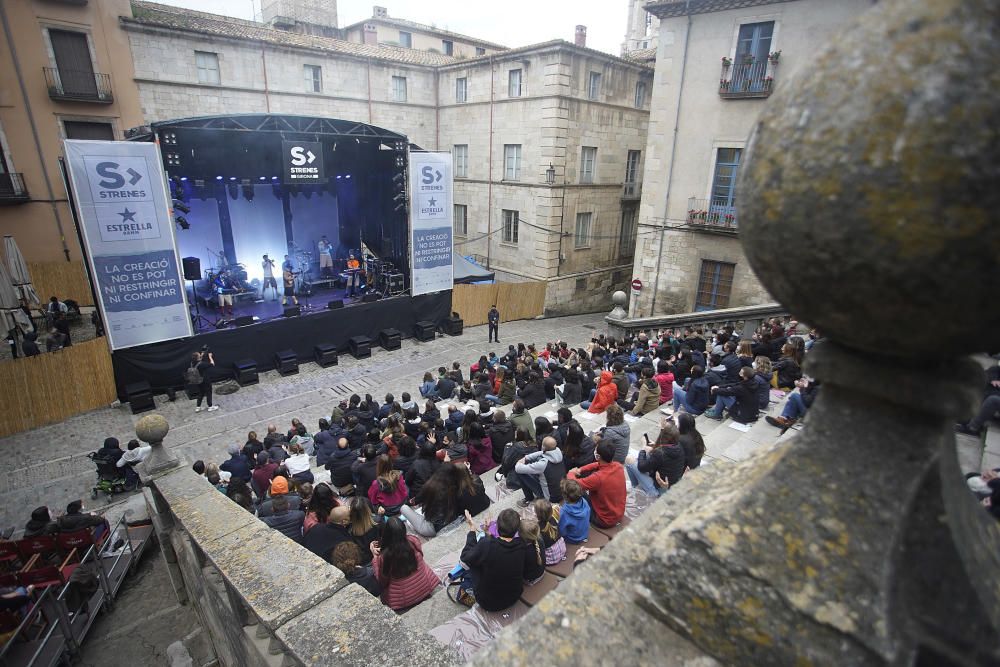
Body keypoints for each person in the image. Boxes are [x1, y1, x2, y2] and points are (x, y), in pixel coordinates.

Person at [458, 508, 534, 611]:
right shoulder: (521, 544)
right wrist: (486, 531)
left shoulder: (487, 544)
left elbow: (465, 557)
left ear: (497, 526)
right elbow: (499, 549)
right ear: (517, 529)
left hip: (489, 603)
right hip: (514, 596)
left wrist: (472, 528)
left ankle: (466, 593)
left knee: (471, 565)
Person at [401, 462, 490, 537]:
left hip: (432, 527)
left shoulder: (451, 493)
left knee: (403, 508)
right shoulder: (471, 482)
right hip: (483, 505)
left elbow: (417, 500)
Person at [371, 517, 440, 611]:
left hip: (403, 599)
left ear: (386, 533)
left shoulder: (385, 557)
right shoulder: (414, 541)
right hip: (425, 587)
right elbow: (421, 556)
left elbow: (382, 580)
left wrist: (375, 558)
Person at [567, 441, 626, 529]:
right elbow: (597, 464)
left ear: (598, 456)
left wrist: (571, 473)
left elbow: (575, 483)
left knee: (576, 490)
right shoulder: (619, 466)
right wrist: (581, 469)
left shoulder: (598, 478)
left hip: (603, 520)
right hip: (618, 513)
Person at [626, 422, 686, 496]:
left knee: (629, 460)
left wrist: (643, 448)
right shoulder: (680, 447)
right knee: (649, 451)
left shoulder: (660, 453)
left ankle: (635, 488)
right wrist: (654, 446)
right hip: (670, 485)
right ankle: (639, 487)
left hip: (657, 490)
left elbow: (641, 467)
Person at [514, 436, 566, 504]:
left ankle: (528, 498)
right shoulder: (559, 453)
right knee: (537, 459)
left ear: (543, 447)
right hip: (563, 491)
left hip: (550, 498)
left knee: (519, 472)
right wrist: (526, 458)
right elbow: (542, 452)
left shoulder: (543, 464)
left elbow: (518, 468)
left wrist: (519, 462)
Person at [533, 499, 566, 565]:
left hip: (551, 559)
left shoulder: (537, 529)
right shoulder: (553, 519)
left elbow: (539, 546)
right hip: (563, 550)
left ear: (537, 515)